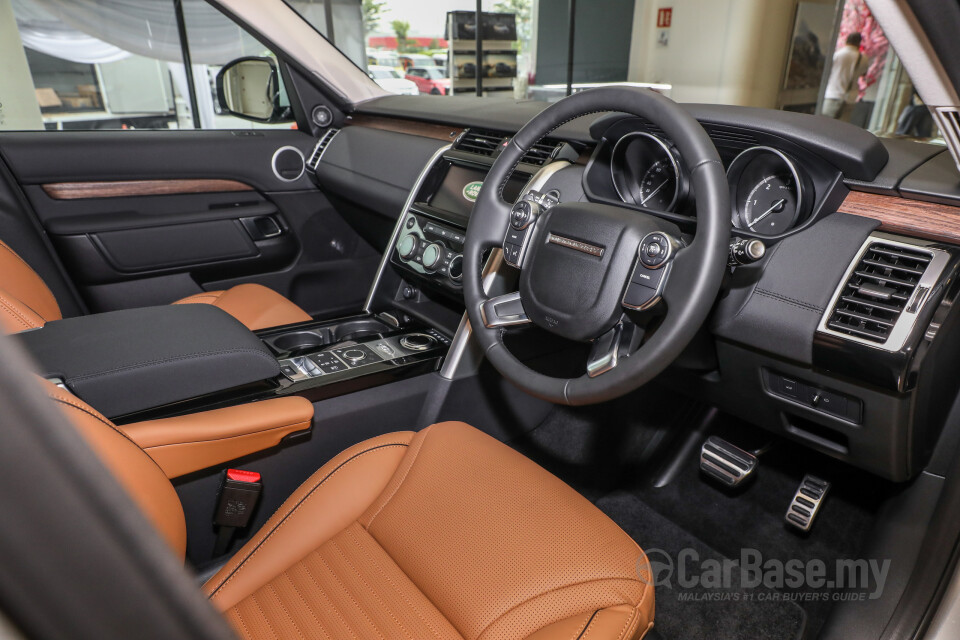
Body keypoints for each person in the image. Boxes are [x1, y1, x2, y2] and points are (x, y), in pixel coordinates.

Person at [822, 33, 868, 120]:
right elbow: (863, 74)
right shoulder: (864, 58)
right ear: (859, 43)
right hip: (850, 98)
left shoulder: (838, 54)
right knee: (841, 129)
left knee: (824, 125)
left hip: (832, 94)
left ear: (846, 41)